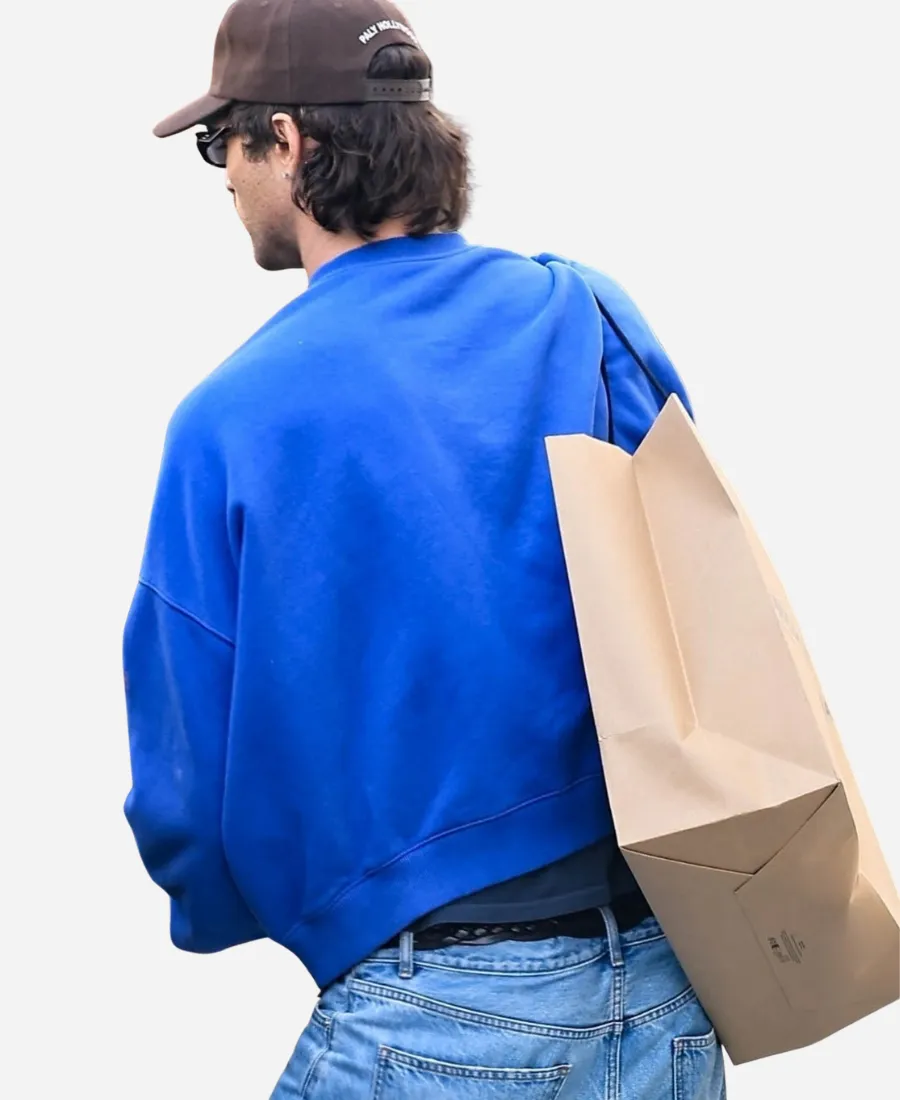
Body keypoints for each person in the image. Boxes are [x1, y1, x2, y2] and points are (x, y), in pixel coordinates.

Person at [124, 1, 727, 1096]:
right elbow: (703, 604)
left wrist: (292, 908)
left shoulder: (229, 418)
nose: (222, 178)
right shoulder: (583, 315)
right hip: (663, 993)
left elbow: (186, 789)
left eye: (222, 144)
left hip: (432, 1006)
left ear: (288, 142)